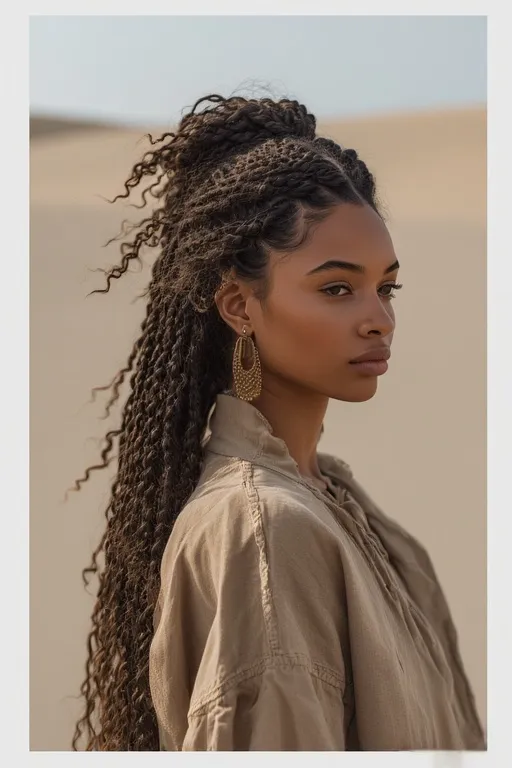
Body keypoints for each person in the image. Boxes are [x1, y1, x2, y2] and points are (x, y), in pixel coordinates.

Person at [71, 93, 485, 751]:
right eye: (337, 288)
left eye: (387, 287)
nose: (380, 317)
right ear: (239, 305)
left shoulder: (335, 502)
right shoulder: (263, 529)